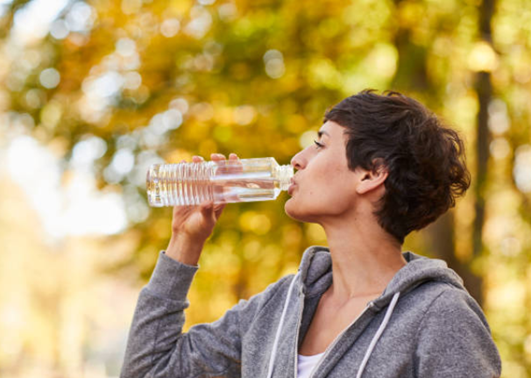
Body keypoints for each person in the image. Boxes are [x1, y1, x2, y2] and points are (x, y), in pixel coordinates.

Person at [120, 90, 501, 378]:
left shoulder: (439, 316)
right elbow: (150, 371)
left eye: (320, 143)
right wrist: (185, 241)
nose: (298, 159)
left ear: (370, 174)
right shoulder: (276, 308)